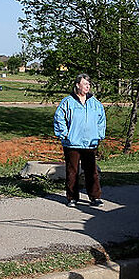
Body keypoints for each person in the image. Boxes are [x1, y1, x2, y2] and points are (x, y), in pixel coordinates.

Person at [53, 73, 106, 207]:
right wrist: (64, 134)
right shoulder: (67, 102)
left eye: (89, 84)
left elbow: (101, 120)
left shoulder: (95, 103)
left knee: (91, 171)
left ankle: (95, 197)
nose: (87, 87)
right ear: (77, 85)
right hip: (72, 143)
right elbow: (59, 118)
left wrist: (99, 135)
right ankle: (72, 197)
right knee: (72, 171)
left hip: (90, 143)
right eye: (85, 84)